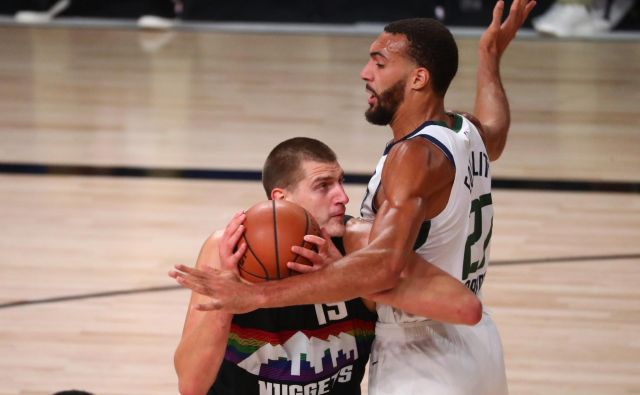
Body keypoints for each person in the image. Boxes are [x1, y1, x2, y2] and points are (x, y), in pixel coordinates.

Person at [170, 1, 535, 393]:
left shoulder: (412, 156)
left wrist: (257, 294)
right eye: (323, 185)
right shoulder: (464, 132)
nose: (366, 74)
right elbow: (496, 131)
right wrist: (490, 56)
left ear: (417, 78)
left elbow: (383, 267)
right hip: (477, 345)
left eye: (380, 64)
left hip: (420, 353)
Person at [173, 137, 481, 395]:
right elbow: (191, 384)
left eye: (341, 182)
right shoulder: (231, 249)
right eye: (323, 185)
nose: (343, 197)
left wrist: (348, 275)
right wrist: (226, 302)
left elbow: (463, 306)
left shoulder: (359, 243)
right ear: (281, 199)